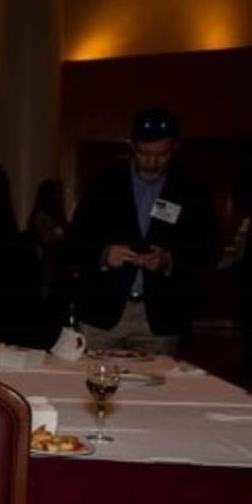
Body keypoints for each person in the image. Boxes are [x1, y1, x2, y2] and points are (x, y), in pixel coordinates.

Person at [66, 108, 217, 354]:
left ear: (175, 148)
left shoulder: (191, 191)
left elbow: (208, 249)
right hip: (102, 313)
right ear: (132, 147)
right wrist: (105, 254)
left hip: (160, 316)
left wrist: (168, 259)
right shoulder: (104, 185)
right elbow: (74, 243)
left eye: (161, 155)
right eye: (144, 153)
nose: (152, 162)